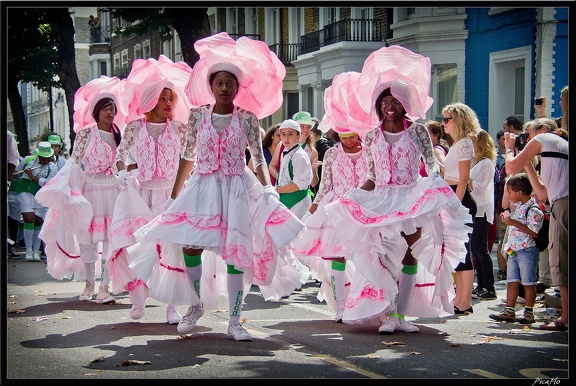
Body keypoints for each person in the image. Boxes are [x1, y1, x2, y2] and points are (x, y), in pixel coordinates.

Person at [132, 32, 306, 341]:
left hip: (238, 188)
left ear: (238, 88)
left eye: (230, 84)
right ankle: (196, 304)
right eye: (219, 83)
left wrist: (267, 188)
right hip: (202, 187)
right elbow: (187, 156)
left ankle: (235, 320)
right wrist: (174, 196)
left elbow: (258, 157)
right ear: (211, 86)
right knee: (190, 244)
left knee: (236, 253)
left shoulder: (249, 118)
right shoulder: (198, 116)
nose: (225, 88)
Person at [324, 46, 472, 334]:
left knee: (410, 255)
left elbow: (431, 166)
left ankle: (402, 317)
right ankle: (388, 314)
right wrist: (355, 195)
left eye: (395, 101)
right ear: (379, 105)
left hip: (410, 197)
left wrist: (434, 188)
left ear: (405, 104)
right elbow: (371, 175)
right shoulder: (371, 137)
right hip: (381, 199)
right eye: (385, 102)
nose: (389, 106)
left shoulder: (417, 131)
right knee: (380, 255)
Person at [111, 77, 191, 324]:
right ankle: (138, 300)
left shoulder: (180, 128)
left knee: (173, 248)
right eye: (163, 98)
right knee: (139, 246)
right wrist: (123, 172)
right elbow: (119, 155)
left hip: (172, 195)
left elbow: (190, 157)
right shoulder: (135, 127)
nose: (168, 103)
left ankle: (172, 305)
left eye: (171, 99)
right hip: (141, 194)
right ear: (150, 101)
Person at [36, 88, 124, 304]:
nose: (109, 112)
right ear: (96, 112)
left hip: (113, 189)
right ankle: (89, 284)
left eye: (112, 108)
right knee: (88, 240)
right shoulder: (86, 133)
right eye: (105, 108)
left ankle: (105, 286)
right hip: (91, 189)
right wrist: (70, 191)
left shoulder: (118, 134)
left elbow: (122, 159)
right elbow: (75, 162)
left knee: (111, 239)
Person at [293, 125, 366, 322]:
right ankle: (340, 307)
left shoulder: (369, 152)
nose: (349, 140)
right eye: (344, 136)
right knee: (338, 256)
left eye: (352, 136)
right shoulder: (332, 153)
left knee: (364, 258)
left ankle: (363, 303)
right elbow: (325, 186)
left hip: (365, 209)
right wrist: (310, 213)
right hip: (337, 208)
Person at [504, 118, 568, 331]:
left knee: (561, 261)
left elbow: (511, 167)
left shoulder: (543, 138)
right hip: (559, 201)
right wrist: (528, 161)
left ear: (543, 129)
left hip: (563, 205)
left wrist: (510, 149)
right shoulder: (559, 148)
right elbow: (541, 194)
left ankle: (565, 319)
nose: (527, 138)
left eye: (527, 134)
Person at [440, 102, 479, 315]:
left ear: (459, 121)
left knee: (464, 251)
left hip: (460, 199)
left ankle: (464, 301)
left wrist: (454, 206)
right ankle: (460, 299)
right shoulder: (457, 144)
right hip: (454, 196)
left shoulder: (464, 143)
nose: (443, 123)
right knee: (459, 252)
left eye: (447, 119)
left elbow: (463, 179)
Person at [489, 173, 544, 325]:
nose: (508, 195)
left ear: (519, 193)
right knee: (512, 281)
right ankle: (509, 310)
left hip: (527, 251)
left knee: (528, 282)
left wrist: (513, 222)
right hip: (513, 250)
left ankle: (529, 312)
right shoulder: (519, 207)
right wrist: (509, 221)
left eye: (510, 192)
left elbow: (533, 231)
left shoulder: (533, 210)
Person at [9, 142, 57, 261]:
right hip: (24, 191)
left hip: (41, 194)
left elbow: (48, 183)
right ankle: (29, 251)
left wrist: (32, 176)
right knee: (28, 218)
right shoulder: (27, 160)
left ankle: (36, 251)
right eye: (43, 158)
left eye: (48, 158)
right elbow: (15, 173)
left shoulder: (53, 167)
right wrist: (16, 175)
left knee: (38, 221)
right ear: (38, 156)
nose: (46, 160)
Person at [468, 130, 497, 300]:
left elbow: (480, 187)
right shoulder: (473, 162)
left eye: (473, 142)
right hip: (474, 210)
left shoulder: (486, 163)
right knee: (475, 251)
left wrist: (465, 178)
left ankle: (489, 286)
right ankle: (481, 285)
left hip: (482, 210)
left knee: (481, 250)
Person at [275, 119, 313, 219]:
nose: (286, 138)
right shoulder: (287, 151)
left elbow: (298, 184)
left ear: (298, 136)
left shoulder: (299, 155)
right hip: (286, 198)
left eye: (290, 134)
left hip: (297, 201)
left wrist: (276, 190)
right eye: (283, 134)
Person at [7, 131, 21, 257]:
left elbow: (13, 165)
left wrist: (10, 177)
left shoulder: (21, 161)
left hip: (15, 194)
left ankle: (11, 246)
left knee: (13, 220)